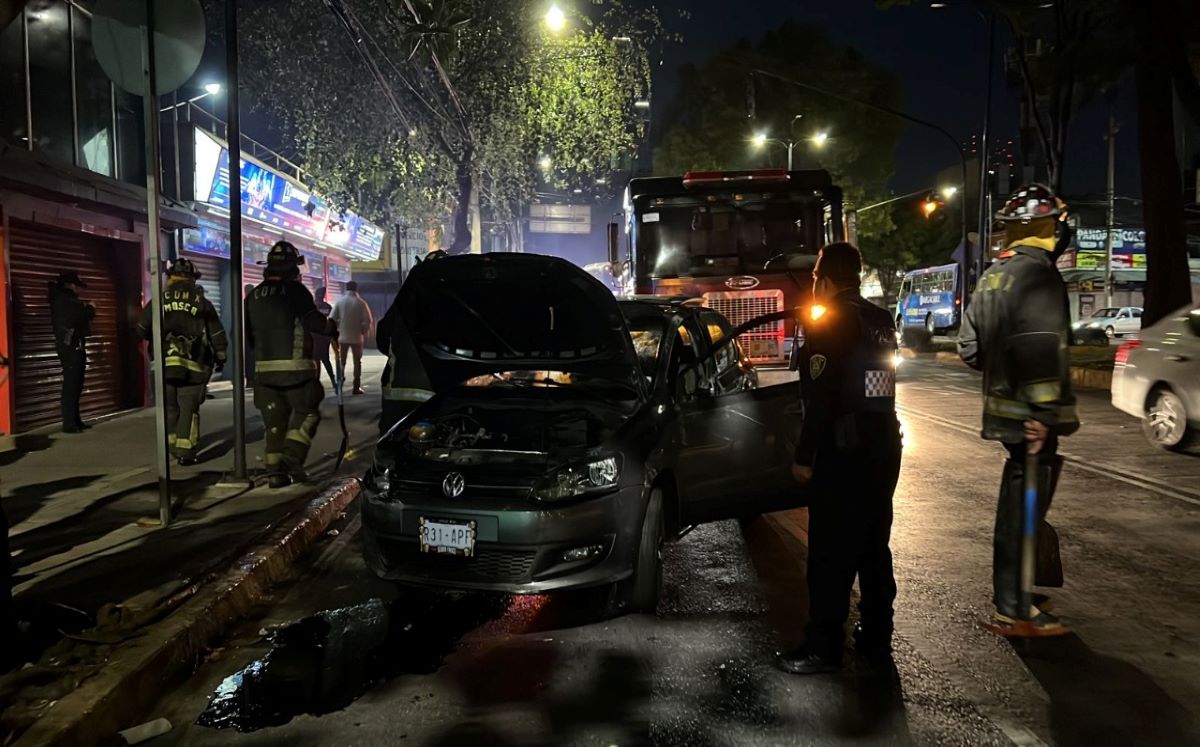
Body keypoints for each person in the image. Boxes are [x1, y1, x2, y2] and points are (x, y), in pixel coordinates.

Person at [957, 183, 1078, 637]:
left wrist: (1002, 373)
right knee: (1023, 512)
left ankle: (1016, 595)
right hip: (1032, 419)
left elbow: (970, 348)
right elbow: (1040, 345)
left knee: (1018, 507)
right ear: (1048, 227)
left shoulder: (993, 276)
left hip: (1005, 413)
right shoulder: (1039, 275)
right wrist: (1041, 414)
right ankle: (1015, 608)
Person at [778, 242, 903, 675]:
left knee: (830, 553)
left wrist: (804, 455)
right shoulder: (879, 319)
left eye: (815, 277)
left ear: (825, 280)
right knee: (873, 547)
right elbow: (879, 387)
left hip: (844, 451)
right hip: (883, 446)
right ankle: (876, 639)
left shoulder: (830, 320)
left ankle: (823, 646)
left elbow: (822, 399)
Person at [245, 241, 337, 488]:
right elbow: (314, 322)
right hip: (297, 371)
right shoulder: (296, 291)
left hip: (264, 373)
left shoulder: (253, 296)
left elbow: (248, 337)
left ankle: (276, 474)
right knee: (308, 412)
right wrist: (331, 327)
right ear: (293, 268)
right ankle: (291, 458)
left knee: (274, 424)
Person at [137, 258, 228, 466]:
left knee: (169, 408)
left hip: (163, 367)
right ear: (193, 279)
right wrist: (221, 356)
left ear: (170, 277)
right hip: (194, 367)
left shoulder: (158, 301)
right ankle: (185, 452)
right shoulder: (203, 303)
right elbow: (216, 334)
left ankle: (172, 447)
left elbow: (140, 330)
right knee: (188, 408)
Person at [48, 271, 96, 434]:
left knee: (76, 385)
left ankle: (75, 420)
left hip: (75, 346)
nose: (79, 289)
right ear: (69, 285)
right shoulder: (63, 300)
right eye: (77, 285)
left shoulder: (68, 300)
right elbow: (78, 317)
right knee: (71, 385)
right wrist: (90, 308)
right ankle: (69, 423)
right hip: (70, 348)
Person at [330, 281, 373, 396]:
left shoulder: (340, 302)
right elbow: (368, 320)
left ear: (346, 288)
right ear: (356, 289)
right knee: (357, 362)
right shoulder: (361, 303)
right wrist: (363, 331)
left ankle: (339, 384)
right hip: (357, 338)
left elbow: (332, 318)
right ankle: (356, 387)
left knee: (341, 362)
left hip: (342, 337)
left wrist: (337, 329)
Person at [312, 287, 337, 388]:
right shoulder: (328, 307)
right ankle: (333, 381)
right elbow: (332, 322)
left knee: (315, 359)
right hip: (325, 337)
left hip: (314, 336)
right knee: (326, 359)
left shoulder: (312, 306)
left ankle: (316, 381)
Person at [243, 284, 257, 387]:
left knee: (248, 359)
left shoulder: (243, 303)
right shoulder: (255, 303)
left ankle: (250, 380)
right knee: (252, 359)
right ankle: (252, 379)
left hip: (246, 335)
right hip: (253, 335)